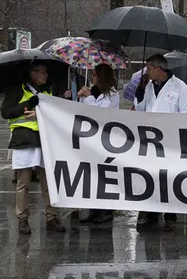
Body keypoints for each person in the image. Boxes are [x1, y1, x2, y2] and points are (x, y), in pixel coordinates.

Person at [1, 62, 67, 234]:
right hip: (24, 140)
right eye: (42, 72)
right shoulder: (17, 90)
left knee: (48, 182)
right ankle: (22, 218)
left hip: (45, 140)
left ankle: (51, 216)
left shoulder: (47, 91)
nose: (45, 75)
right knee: (23, 183)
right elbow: (6, 112)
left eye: (46, 72)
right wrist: (28, 104)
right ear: (32, 73)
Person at [134, 54, 187, 231]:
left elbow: (186, 113)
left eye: (149, 68)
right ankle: (150, 214)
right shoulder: (149, 86)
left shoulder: (180, 87)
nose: (147, 72)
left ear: (158, 68)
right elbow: (141, 109)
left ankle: (170, 216)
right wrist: (140, 91)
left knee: (168, 178)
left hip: (170, 141)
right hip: (151, 140)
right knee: (150, 177)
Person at [77, 64, 120, 225]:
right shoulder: (92, 91)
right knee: (92, 176)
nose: (92, 77)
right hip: (90, 141)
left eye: (94, 75)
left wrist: (88, 97)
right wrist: (80, 96)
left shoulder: (112, 95)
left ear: (101, 77)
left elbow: (100, 115)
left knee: (104, 176)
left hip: (106, 140)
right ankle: (93, 211)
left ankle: (106, 211)